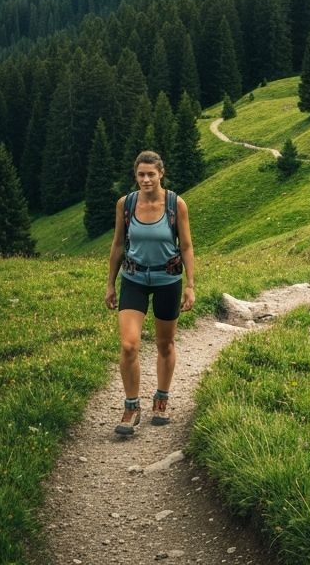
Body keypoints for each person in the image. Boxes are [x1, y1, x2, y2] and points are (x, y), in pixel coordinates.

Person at [105, 150, 195, 435]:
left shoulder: (175, 204)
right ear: (136, 176)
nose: (145, 179)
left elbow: (187, 246)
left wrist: (190, 284)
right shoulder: (126, 204)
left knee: (164, 344)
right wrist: (110, 282)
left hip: (168, 278)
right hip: (133, 278)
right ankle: (131, 407)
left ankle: (161, 399)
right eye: (141, 175)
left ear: (161, 174)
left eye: (150, 174)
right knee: (129, 344)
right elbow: (118, 244)